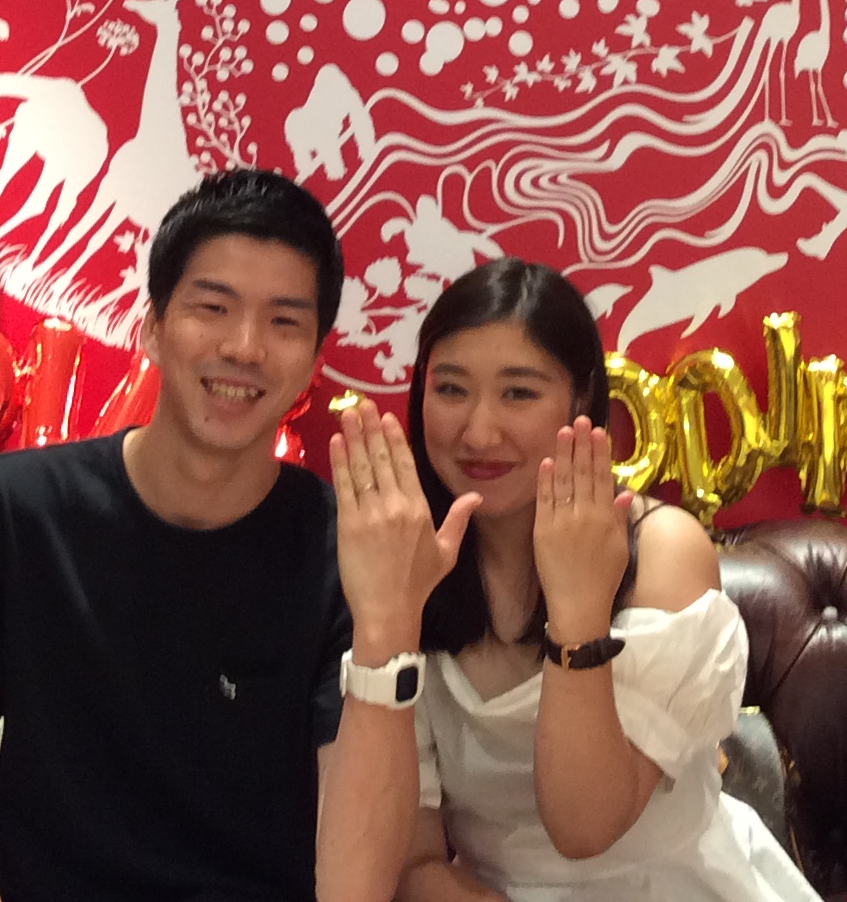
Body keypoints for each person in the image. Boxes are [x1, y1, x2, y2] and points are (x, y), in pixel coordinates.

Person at [0, 166, 424, 902]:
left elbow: (355, 890)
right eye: (213, 307)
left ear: (314, 362)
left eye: (284, 322)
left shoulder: (342, 550)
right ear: (151, 327)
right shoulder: (19, 509)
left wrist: (390, 623)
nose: (245, 347)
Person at [322, 260, 818, 902]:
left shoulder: (660, 551)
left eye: (518, 393)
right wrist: (387, 619)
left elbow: (585, 827)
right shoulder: (410, 555)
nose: (478, 431)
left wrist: (578, 614)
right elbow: (406, 865)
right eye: (450, 390)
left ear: (581, 399)